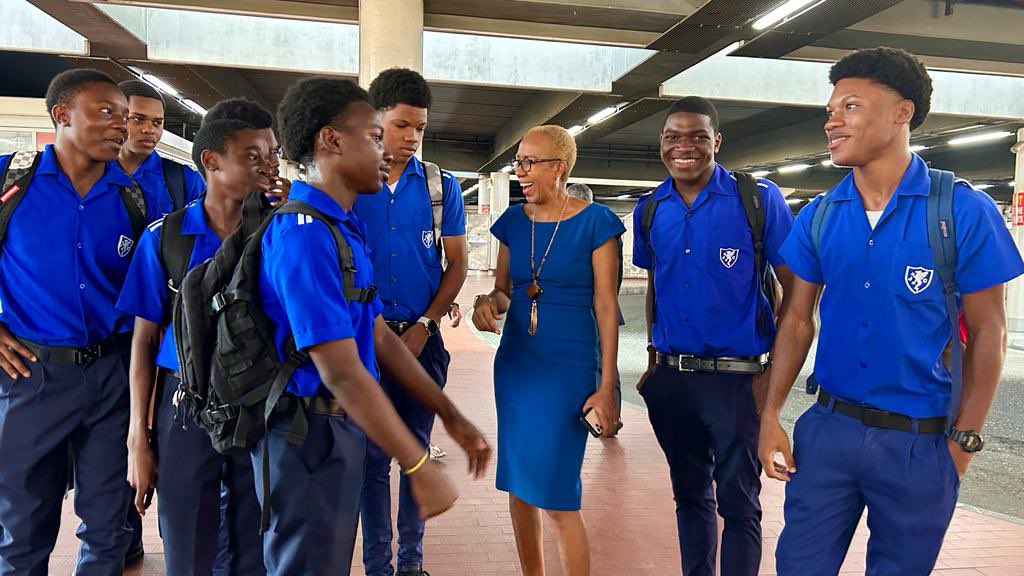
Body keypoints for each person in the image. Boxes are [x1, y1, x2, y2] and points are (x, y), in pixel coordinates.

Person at [759, 47, 1024, 575]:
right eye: (830, 109)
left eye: (850, 106)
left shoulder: (961, 211)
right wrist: (769, 414)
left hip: (920, 445)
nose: (832, 120)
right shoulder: (819, 215)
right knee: (798, 566)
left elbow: (990, 333)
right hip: (828, 433)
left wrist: (963, 443)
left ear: (902, 112)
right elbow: (795, 318)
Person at [257, 76, 491, 576]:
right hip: (307, 434)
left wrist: (448, 414)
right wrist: (417, 463)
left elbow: (378, 332)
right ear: (331, 140)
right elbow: (341, 369)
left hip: (336, 427)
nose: (386, 148)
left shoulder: (342, 227)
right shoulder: (303, 234)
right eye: (374, 135)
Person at [0, 69, 165, 574]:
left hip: (112, 378)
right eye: (107, 112)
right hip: (30, 377)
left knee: (108, 524)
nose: (122, 125)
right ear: (62, 115)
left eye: (126, 115)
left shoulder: (136, 199)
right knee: (22, 526)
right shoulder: (12, 181)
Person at [632, 96, 795, 576]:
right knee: (689, 496)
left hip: (736, 382)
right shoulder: (649, 209)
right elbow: (656, 287)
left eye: (698, 136)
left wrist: (772, 381)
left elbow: (798, 295)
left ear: (717, 141)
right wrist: (651, 362)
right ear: (661, 144)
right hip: (671, 381)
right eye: (672, 137)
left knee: (740, 503)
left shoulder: (757, 200)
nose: (684, 146)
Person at [117, 119, 272, 575]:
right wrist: (137, 441)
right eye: (253, 156)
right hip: (184, 405)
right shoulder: (165, 237)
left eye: (272, 154)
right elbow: (144, 341)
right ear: (211, 161)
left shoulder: (279, 235)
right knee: (187, 539)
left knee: (258, 536)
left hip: (259, 403)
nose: (268, 166)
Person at [473, 125, 623, 576]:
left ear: (559, 167)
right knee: (519, 486)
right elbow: (504, 291)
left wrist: (608, 386)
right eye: (517, 163)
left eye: (528, 163)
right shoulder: (513, 224)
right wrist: (487, 303)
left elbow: (605, 304)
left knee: (557, 495)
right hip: (517, 366)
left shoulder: (597, 224)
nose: (519, 172)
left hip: (569, 367)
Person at [354, 67, 468, 576]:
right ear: (375, 119)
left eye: (419, 128)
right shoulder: (352, 183)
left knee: (416, 454)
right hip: (363, 347)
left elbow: (457, 263)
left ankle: (410, 563)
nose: (412, 138)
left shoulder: (442, 187)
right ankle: (378, 564)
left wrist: (426, 321)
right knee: (372, 461)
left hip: (423, 343)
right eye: (402, 125)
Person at [117, 80, 205, 215]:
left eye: (157, 122)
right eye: (138, 119)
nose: (149, 129)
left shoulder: (185, 181)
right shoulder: (84, 175)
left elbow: (203, 233)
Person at [204, 98, 291, 205]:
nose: (275, 163)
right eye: (253, 156)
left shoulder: (283, 214)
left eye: (275, 151)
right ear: (211, 160)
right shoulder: (182, 220)